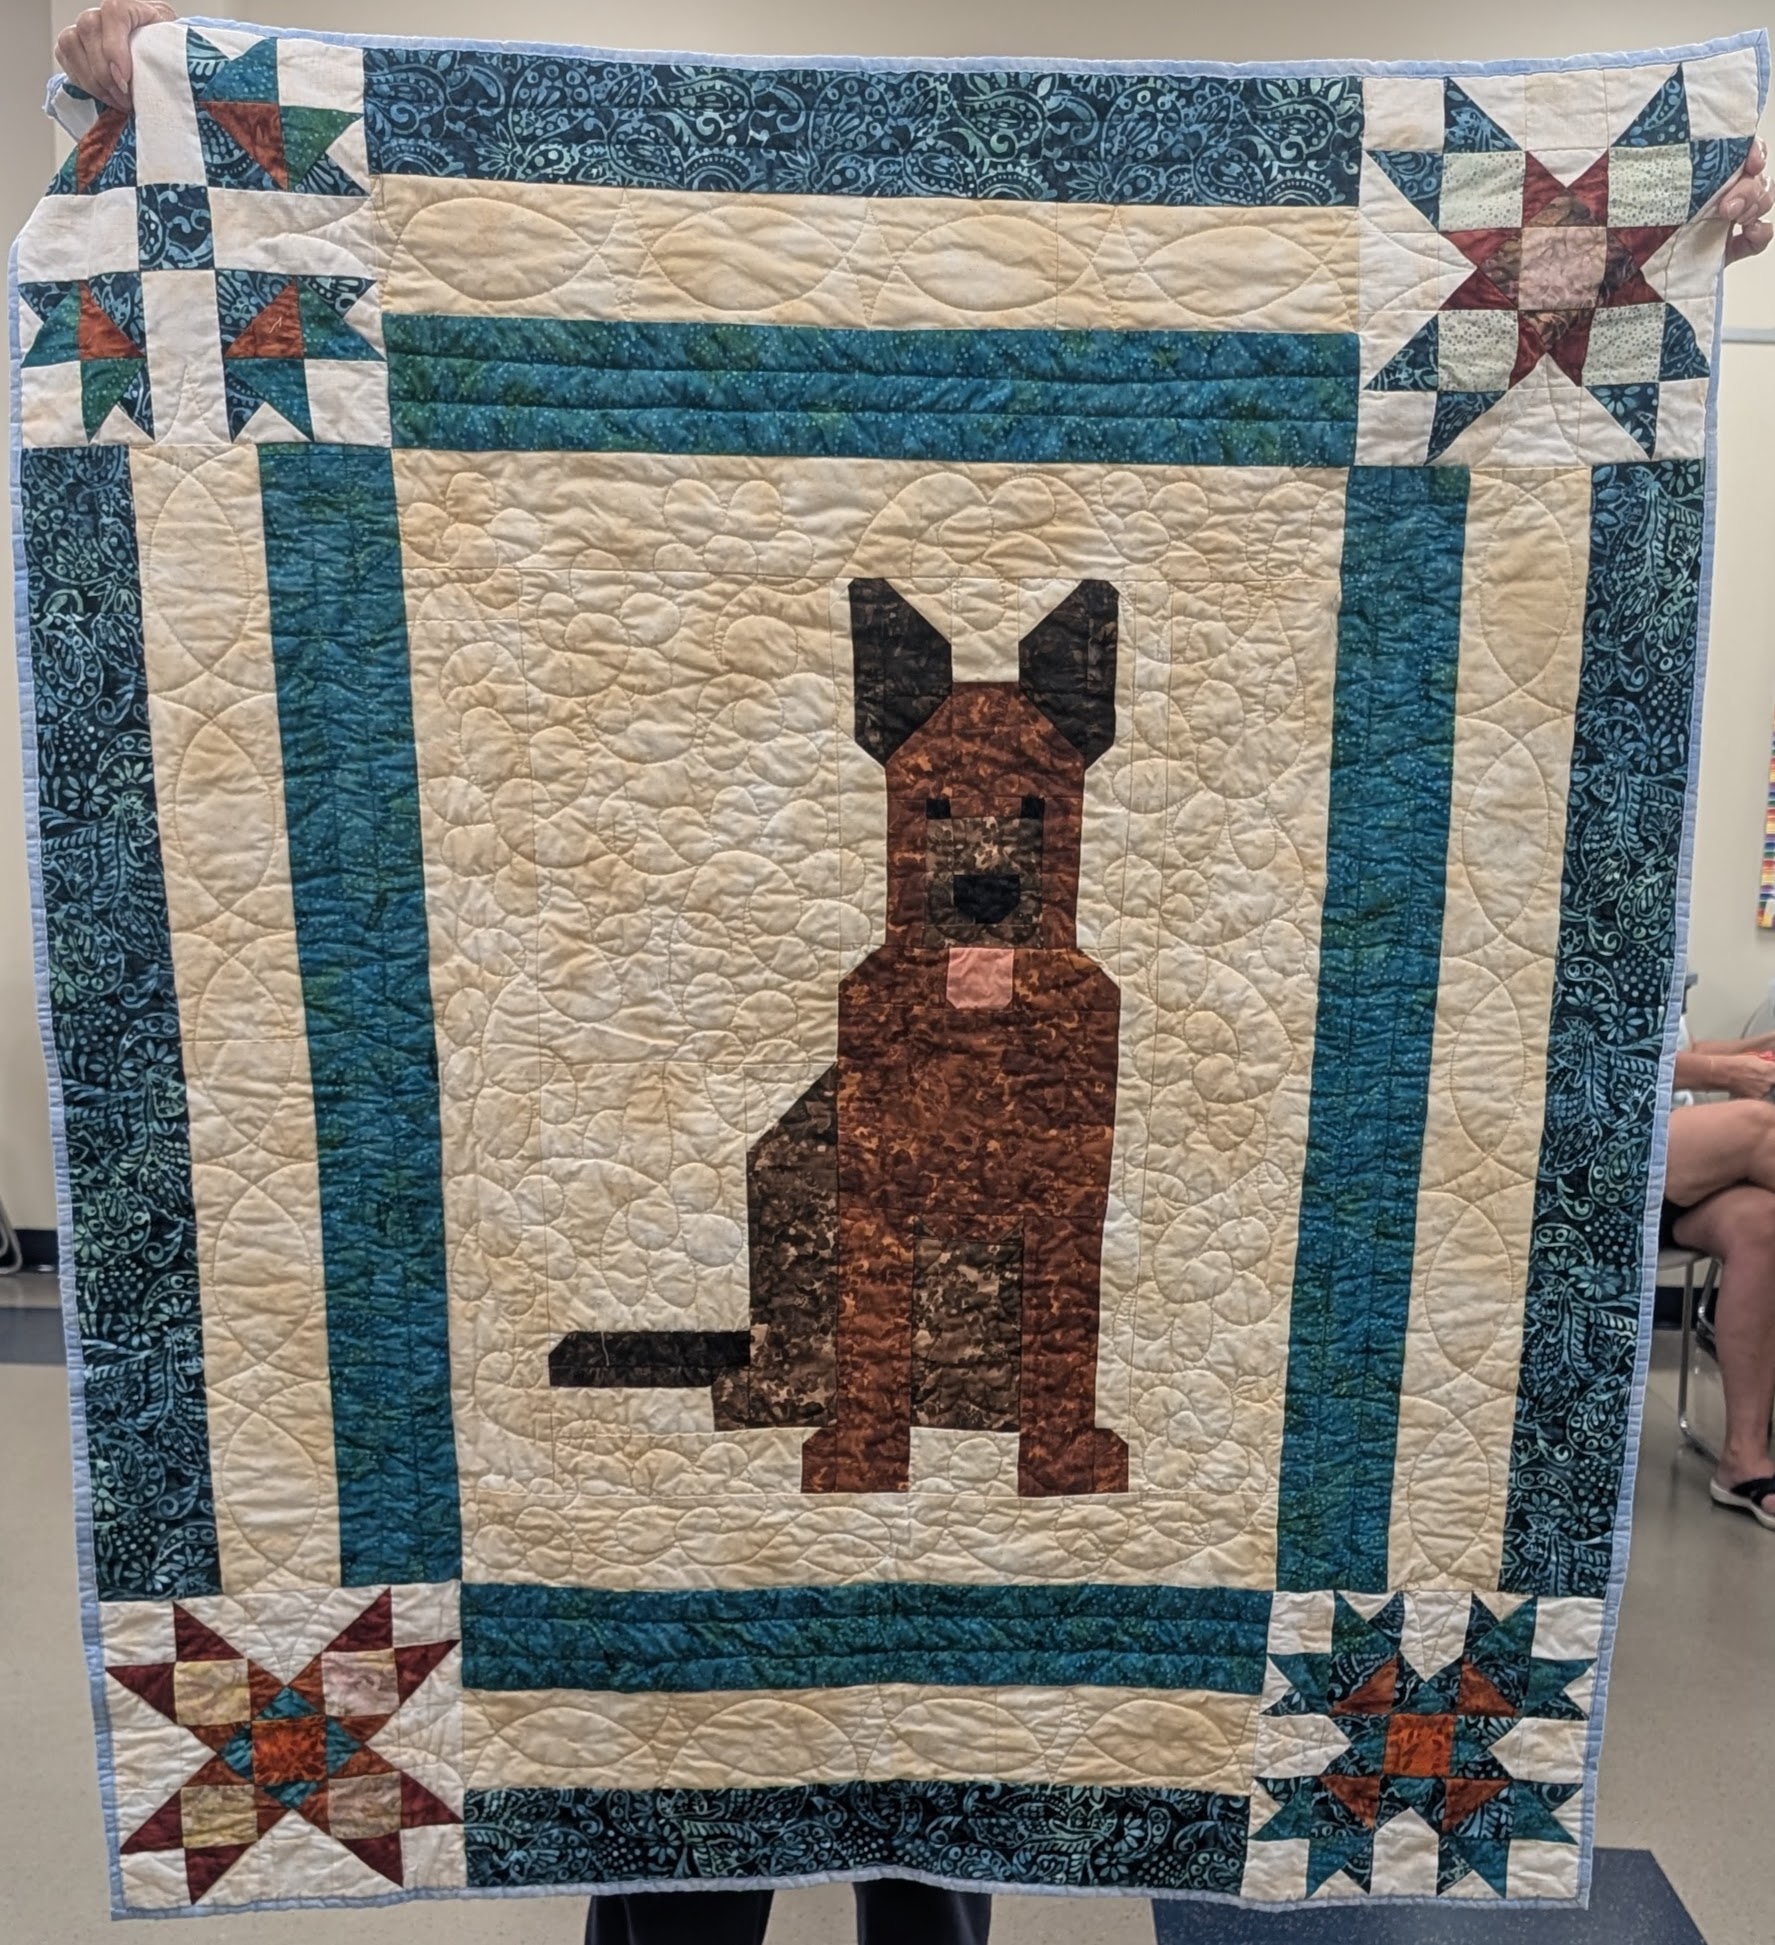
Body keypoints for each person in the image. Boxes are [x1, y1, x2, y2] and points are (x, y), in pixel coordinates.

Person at [46, 2, 1775, 1936]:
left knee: (928, 1856)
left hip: (1002, 1451)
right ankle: (844, 1411)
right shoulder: (883, 1000)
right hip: (806, 1408)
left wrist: (1666, 218)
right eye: (946, 806)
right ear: (893, 770)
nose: (982, 850)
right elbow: (867, 1213)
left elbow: (1065, 1221)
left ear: (1074, 768)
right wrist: (148, 79)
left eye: (1020, 808)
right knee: (695, 1802)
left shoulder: (1077, 1001)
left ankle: (1014, 1435)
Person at [1663, 1010, 1775, 1530]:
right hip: (1609, 1148)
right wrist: (1724, 1073)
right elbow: (1610, 1064)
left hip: (1678, 1174)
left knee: (1764, 1224)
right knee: (1758, 1127)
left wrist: (1762, 1047)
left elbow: (1689, 1049)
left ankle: (1742, 1461)